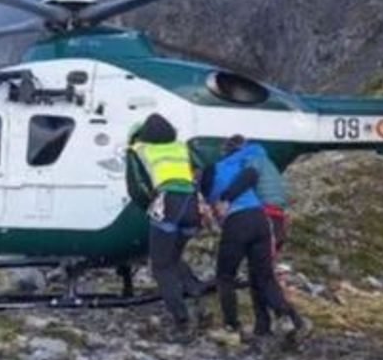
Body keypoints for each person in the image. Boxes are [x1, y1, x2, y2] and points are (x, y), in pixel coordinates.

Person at [201, 135, 308, 345]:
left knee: (227, 277)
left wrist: (222, 200)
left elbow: (241, 180)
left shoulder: (234, 163)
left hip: (250, 218)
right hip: (262, 218)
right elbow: (249, 179)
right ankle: (276, 323)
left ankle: (232, 327)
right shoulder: (252, 159)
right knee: (262, 275)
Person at [128, 113, 207, 342]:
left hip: (167, 204)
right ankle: (196, 293)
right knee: (172, 256)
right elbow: (201, 168)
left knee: (160, 265)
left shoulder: (138, 150)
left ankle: (181, 321)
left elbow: (135, 187)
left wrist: (151, 204)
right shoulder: (181, 147)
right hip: (191, 205)